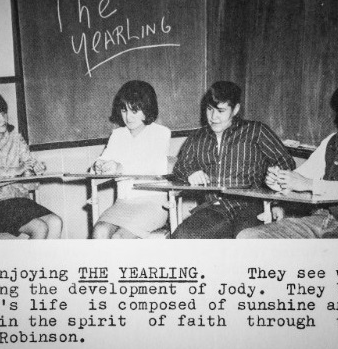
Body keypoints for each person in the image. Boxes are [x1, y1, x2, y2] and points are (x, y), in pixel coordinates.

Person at [237, 74, 338, 239]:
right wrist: (279, 181)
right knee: (249, 236)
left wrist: (308, 184)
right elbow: (303, 176)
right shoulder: (332, 140)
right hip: (316, 218)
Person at [171, 81, 295, 239]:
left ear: (235, 109)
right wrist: (190, 172)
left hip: (251, 207)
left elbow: (286, 163)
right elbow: (179, 168)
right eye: (209, 109)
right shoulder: (197, 137)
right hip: (213, 208)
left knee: (245, 242)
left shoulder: (256, 131)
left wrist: (275, 187)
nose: (213, 117)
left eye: (220, 111)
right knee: (181, 237)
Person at [0, 91, 63, 239]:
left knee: (56, 222)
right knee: (40, 227)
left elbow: (29, 161)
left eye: (4, 113)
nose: (3, 118)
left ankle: (45, 262)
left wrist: (36, 167)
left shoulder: (16, 138)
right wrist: (16, 170)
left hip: (20, 201)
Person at [92, 81, 171, 239]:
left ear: (147, 108)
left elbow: (153, 167)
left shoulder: (160, 133)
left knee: (118, 239)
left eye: (134, 110)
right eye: (124, 110)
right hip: (122, 204)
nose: (128, 117)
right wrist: (99, 166)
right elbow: (100, 165)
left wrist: (120, 168)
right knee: (99, 231)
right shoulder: (118, 135)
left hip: (152, 204)